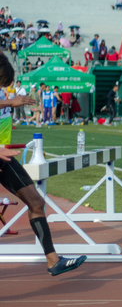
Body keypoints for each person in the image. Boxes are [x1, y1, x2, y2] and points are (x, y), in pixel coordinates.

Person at [0, 50, 86, 275]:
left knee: (36, 202)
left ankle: (53, 260)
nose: (4, 87)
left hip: (4, 157)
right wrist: (10, 101)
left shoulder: (2, 94)